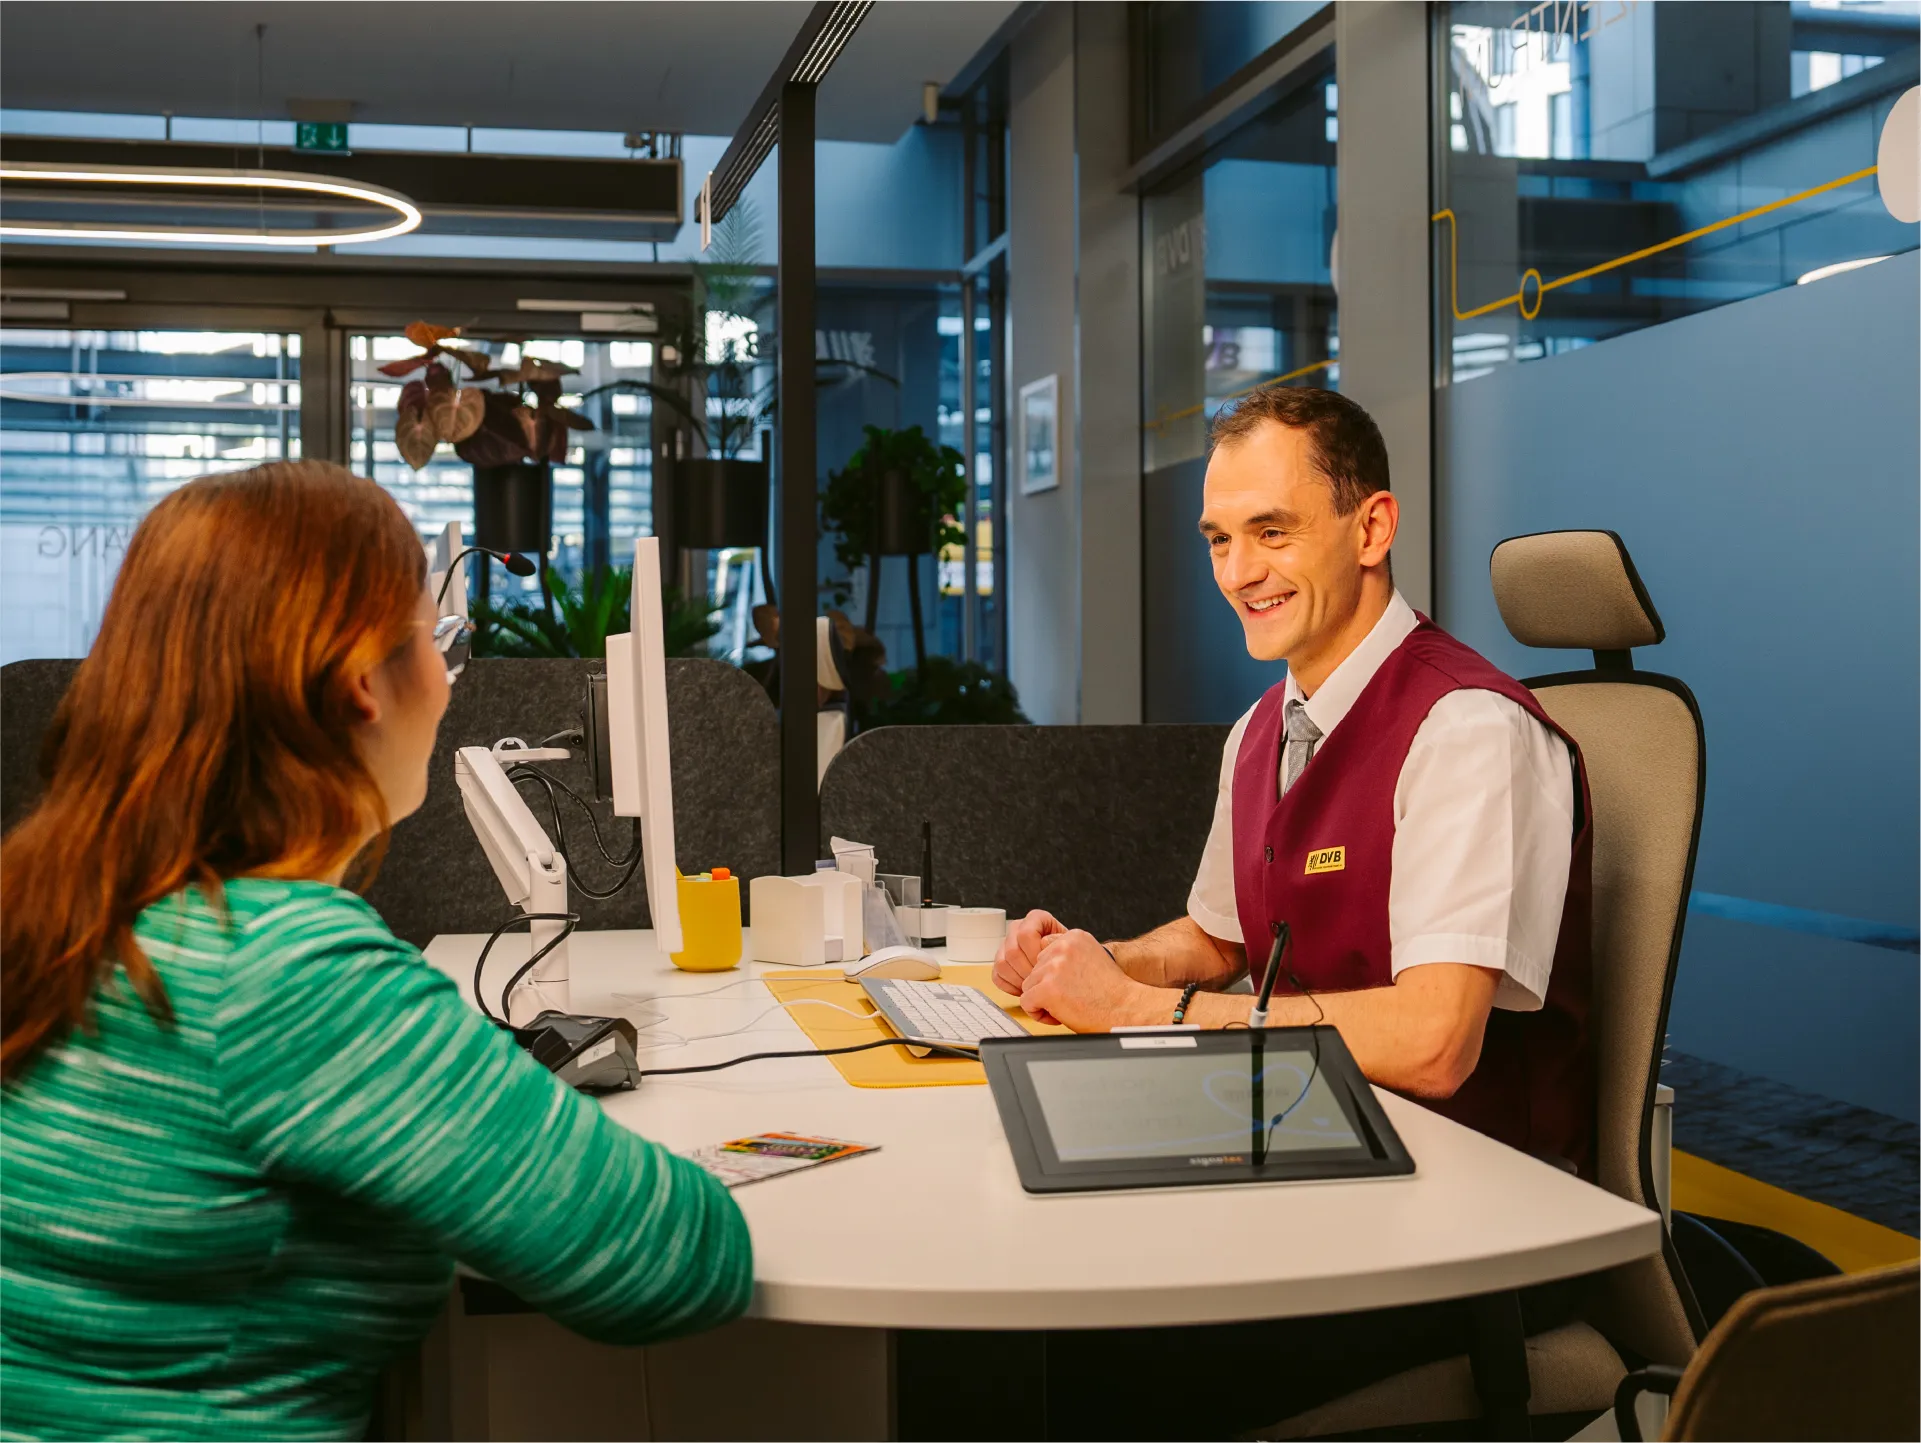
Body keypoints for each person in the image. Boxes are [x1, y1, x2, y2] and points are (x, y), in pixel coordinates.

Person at [0, 462, 752, 1441]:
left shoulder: (66, 910)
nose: (446, 681)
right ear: (363, 681)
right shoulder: (280, 972)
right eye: (438, 641)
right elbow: (671, 1262)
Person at [991, 387, 1596, 1436]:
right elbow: (1223, 937)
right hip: (1313, 1164)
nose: (1237, 574)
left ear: (1372, 528)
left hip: (1462, 1226)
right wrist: (1093, 962)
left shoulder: (1466, 731)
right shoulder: (1264, 729)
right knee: (1041, 1292)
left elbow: (1435, 1040)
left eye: (1272, 533)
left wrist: (1138, 1010)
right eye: (1219, 540)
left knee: (1087, 1365)